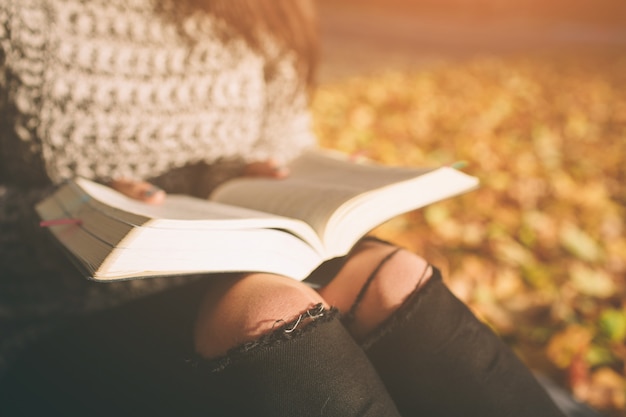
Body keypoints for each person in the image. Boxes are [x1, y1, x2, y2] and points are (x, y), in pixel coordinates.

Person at [0, 0, 566, 415]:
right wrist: (80, 215)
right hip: (59, 313)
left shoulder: (270, 9)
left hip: (228, 261)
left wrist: (265, 174)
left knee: (395, 276)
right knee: (272, 313)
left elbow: (285, 139)